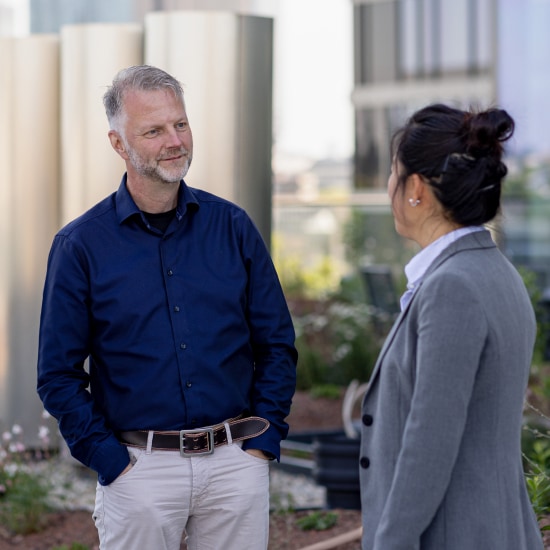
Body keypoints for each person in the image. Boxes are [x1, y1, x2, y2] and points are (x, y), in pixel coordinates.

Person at [37, 65, 297, 550]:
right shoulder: (80, 246)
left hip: (234, 464)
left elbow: (277, 343)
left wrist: (262, 441)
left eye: (179, 124)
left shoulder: (233, 228)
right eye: (153, 131)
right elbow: (58, 374)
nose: (174, 140)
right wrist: (109, 460)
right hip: (139, 473)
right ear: (118, 143)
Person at [359, 103, 544, 549]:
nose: (389, 188)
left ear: (416, 189)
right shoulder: (496, 271)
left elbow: (429, 443)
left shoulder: (452, 286)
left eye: (393, 174)